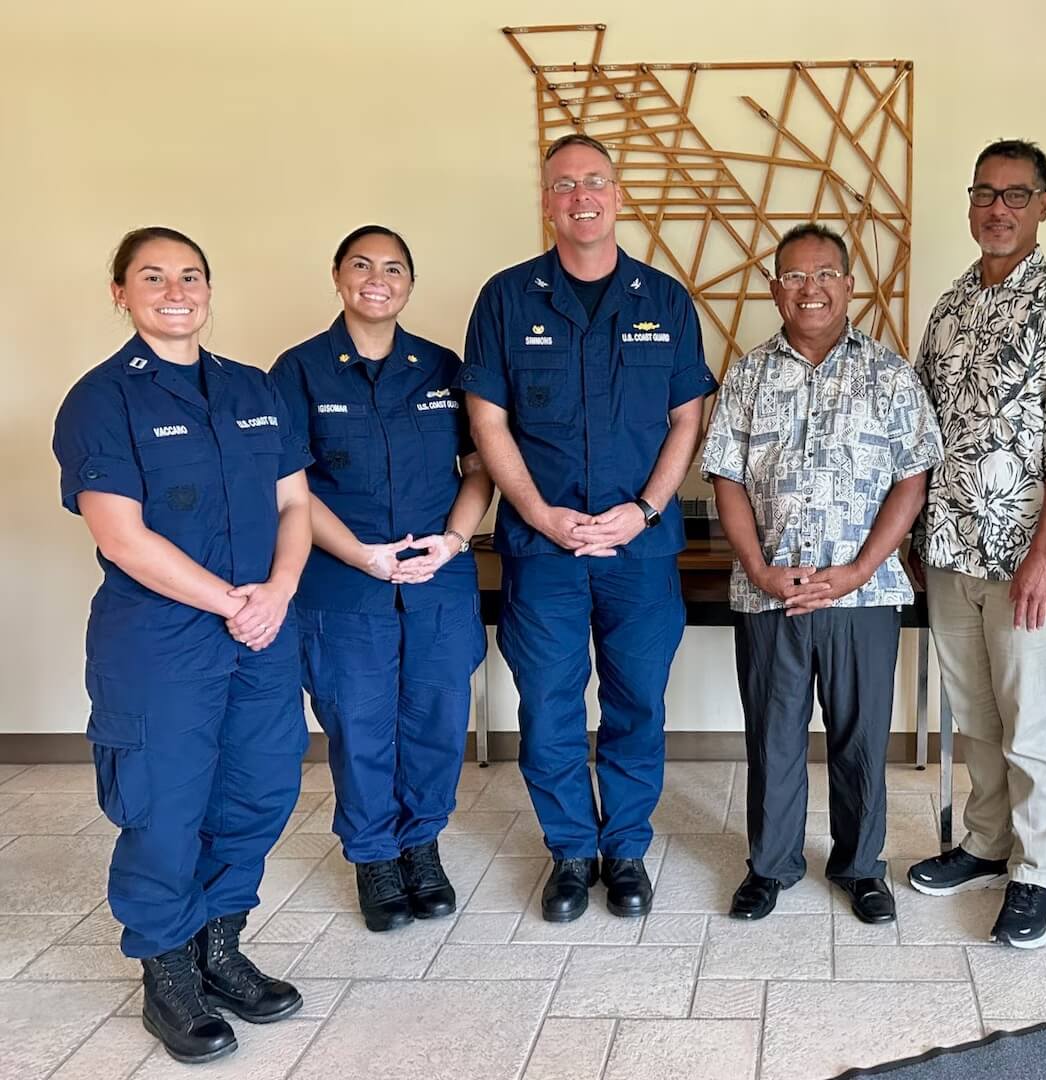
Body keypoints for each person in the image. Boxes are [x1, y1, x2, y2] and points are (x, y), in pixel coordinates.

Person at [51, 227, 312, 1064]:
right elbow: (121, 536)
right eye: (152, 276)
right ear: (119, 293)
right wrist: (232, 602)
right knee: (166, 809)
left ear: (209, 288)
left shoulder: (254, 388)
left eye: (191, 275)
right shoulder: (102, 399)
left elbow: (295, 507)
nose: (176, 290)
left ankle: (220, 949)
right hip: (162, 642)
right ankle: (167, 974)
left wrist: (274, 593)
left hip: (262, 630)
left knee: (260, 791)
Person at [458, 133, 718, 923]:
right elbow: (487, 419)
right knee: (550, 705)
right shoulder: (506, 298)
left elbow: (687, 418)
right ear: (547, 201)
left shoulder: (664, 299)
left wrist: (640, 510)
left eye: (595, 181)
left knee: (637, 700)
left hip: (639, 551)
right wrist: (538, 513)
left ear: (618, 194)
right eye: (564, 184)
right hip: (543, 551)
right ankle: (571, 850)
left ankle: (627, 848)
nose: (581, 196)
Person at [905, 139, 1046, 949]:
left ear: (1044, 206)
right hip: (952, 549)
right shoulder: (951, 304)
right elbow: (926, 429)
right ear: (970, 203)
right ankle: (988, 844)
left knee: (1029, 722)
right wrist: (920, 533)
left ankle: (1036, 874)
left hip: (1032, 559)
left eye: (1017, 195)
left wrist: (1044, 552)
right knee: (977, 716)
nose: (999, 209)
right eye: (986, 193)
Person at [703, 224, 942, 924]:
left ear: (849, 285)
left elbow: (912, 480)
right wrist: (759, 568)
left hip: (862, 594)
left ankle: (862, 867)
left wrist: (859, 571)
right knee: (774, 734)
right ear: (776, 288)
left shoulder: (891, 374)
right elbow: (727, 478)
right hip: (768, 592)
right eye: (796, 277)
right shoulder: (748, 374)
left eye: (826, 274)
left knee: (861, 736)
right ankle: (770, 865)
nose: (812, 289)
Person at [269, 226, 494, 933]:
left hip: (435, 583)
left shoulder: (441, 367)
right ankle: (372, 856)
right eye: (362, 265)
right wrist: (362, 555)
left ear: (409, 283)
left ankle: (420, 846)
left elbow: (480, 469)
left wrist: (455, 543)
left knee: (434, 719)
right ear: (337, 276)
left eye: (393, 267)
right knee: (358, 724)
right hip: (344, 584)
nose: (377, 278)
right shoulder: (299, 370)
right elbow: (291, 489)